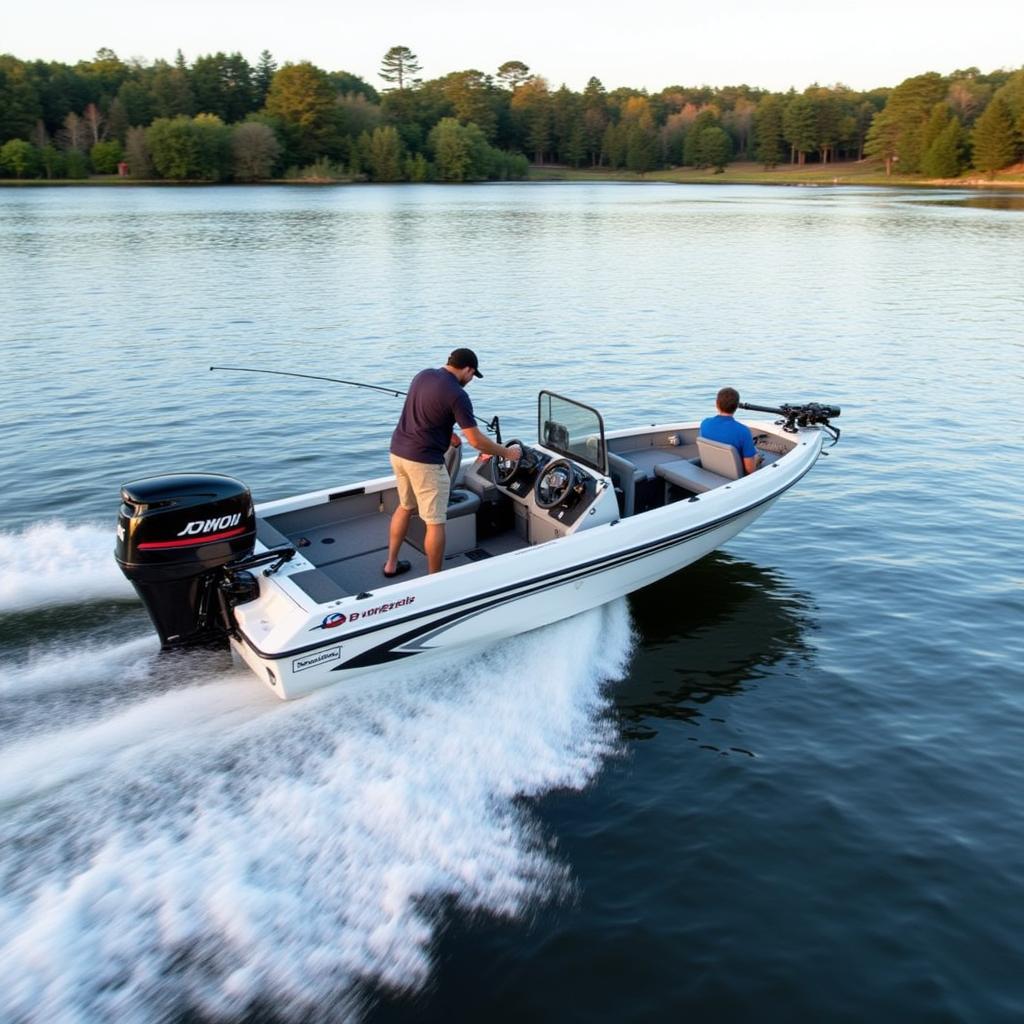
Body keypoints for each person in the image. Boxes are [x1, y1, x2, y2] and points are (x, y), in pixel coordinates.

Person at [383, 348, 522, 577]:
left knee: (405, 506)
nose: (470, 381)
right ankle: (435, 581)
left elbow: (422, 412)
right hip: (424, 462)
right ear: (468, 369)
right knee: (435, 522)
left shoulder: (423, 375)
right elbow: (476, 440)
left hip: (398, 452)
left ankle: (390, 564)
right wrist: (507, 454)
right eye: (472, 376)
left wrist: (448, 434)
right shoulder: (458, 394)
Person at [699, 386, 761, 475]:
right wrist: (757, 459)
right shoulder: (743, 431)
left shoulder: (705, 423)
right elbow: (750, 470)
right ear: (736, 406)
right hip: (735, 475)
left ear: (716, 404)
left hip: (711, 468)